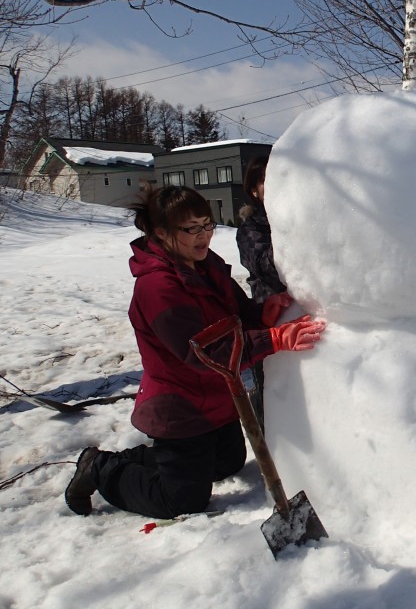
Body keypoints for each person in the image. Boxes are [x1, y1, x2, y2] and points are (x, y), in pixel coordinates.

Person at [64, 184, 325, 521]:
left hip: (217, 395)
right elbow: (202, 352)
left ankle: (167, 461)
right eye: (192, 229)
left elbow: (233, 314)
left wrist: (262, 314)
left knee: (227, 463)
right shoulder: (158, 287)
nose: (205, 236)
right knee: (183, 500)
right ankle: (100, 467)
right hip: (180, 407)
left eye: (208, 225)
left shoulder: (204, 264)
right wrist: (273, 339)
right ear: (161, 233)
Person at [235, 155, 288, 422]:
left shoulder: (295, 216)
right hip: (269, 315)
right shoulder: (250, 228)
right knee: (271, 386)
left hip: (302, 315)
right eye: (265, 180)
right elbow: (268, 267)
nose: (272, 185)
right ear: (254, 189)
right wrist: (292, 236)